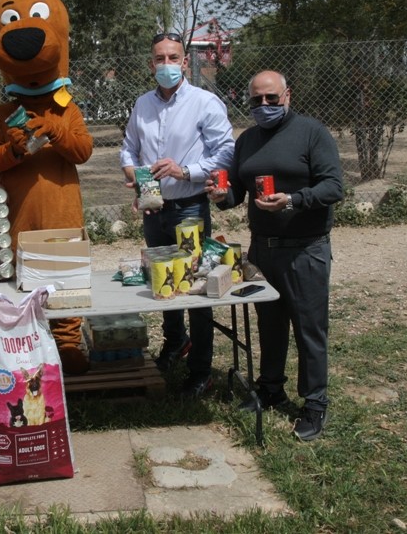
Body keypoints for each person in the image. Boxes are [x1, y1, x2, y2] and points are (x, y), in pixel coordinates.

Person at [206, 69, 343, 441]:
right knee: (269, 324)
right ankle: (270, 387)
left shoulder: (312, 133)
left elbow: (334, 186)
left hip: (306, 249)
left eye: (271, 98)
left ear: (287, 96)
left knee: (309, 329)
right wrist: (222, 197)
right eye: (256, 100)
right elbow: (237, 191)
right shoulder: (247, 139)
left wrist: (294, 200)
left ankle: (315, 405)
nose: (264, 105)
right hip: (262, 249)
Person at [119, 32, 235, 397]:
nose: (166, 65)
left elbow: (226, 153)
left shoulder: (205, 103)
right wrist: (131, 173)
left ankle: (201, 370)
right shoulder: (142, 105)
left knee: (197, 288)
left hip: (189, 209)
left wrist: (185, 171)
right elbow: (128, 148)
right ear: (150, 64)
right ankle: (175, 343)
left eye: (173, 57)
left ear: (185, 62)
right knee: (163, 284)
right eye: (159, 59)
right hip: (154, 212)